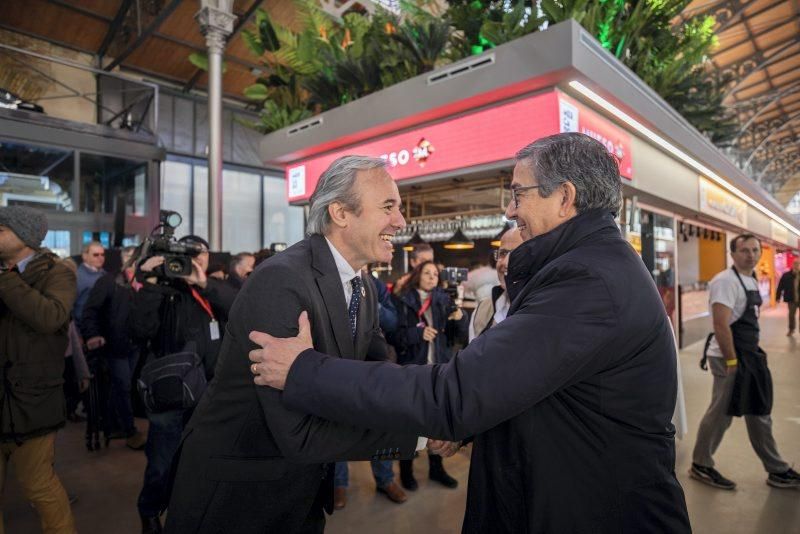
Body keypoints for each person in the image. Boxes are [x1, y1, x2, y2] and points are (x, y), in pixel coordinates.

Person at [249, 133, 692, 533]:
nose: (509, 209)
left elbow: (458, 392)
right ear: (339, 212)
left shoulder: (588, 281)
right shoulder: (591, 269)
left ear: (565, 197)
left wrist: (305, 371)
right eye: (389, 207)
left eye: (518, 194)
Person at [165, 156, 425, 534]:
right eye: (389, 207)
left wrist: (432, 400)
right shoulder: (282, 281)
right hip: (239, 495)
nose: (400, 221)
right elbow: (299, 432)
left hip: (299, 490)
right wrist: (418, 435)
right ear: (340, 212)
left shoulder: (362, 285)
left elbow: (374, 368)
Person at [128, 235, 236, 533]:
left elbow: (238, 308)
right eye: (188, 255)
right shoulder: (162, 288)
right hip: (170, 391)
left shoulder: (214, 287)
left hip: (211, 390)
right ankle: (149, 511)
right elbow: (139, 330)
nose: (194, 260)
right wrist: (150, 283)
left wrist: (202, 282)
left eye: (199, 254)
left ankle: (192, 511)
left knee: (203, 459)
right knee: (162, 461)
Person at [690, 234, 800, 490]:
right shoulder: (725, 282)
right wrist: (731, 361)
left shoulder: (749, 279)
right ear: (733, 253)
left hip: (749, 355)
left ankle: (777, 468)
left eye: (754, 250)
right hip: (729, 358)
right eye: (744, 250)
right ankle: (701, 463)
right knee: (721, 414)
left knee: (758, 411)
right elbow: (720, 324)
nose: (750, 255)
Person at [0, 206, 77, 533]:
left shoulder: (58, 272)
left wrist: (5, 278)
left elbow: (51, 316)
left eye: (1, 229)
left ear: (25, 236)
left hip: (32, 399)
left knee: (38, 484)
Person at [391, 260, 467, 491]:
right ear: (417, 275)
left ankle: (437, 469)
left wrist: (459, 318)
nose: (432, 277)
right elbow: (393, 336)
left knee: (436, 423)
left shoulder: (443, 300)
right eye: (427, 272)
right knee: (409, 424)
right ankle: (406, 472)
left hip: (438, 370)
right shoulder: (403, 298)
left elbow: (458, 337)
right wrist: (417, 334)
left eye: (435, 273)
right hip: (413, 370)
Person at [81, 246, 146, 450]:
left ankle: (114, 424)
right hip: (115, 345)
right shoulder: (108, 281)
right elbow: (90, 311)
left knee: (123, 388)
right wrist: (93, 334)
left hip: (136, 344)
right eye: (130, 258)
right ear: (123, 259)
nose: (134, 261)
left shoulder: (144, 282)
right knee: (122, 386)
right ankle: (129, 431)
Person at [468, 227, 523, 341]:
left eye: (517, 253)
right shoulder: (482, 310)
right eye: (502, 253)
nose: (506, 263)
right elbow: (471, 357)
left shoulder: (547, 309)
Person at [74, 241, 106, 331]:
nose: (100, 258)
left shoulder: (104, 273)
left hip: (100, 328)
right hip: (84, 330)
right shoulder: (77, 277)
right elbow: (69, 309)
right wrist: (76, 334)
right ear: (85, 256)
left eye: (102, 254)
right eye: (96, 255)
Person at [775, 259, 799, 336]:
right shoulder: (786, 275)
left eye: (798, 264)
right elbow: (780, 286)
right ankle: (791, 329)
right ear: (792, 265)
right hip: (791, 299)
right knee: (791, 315)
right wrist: (777, 297)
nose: (796, 265)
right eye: (795, 263)